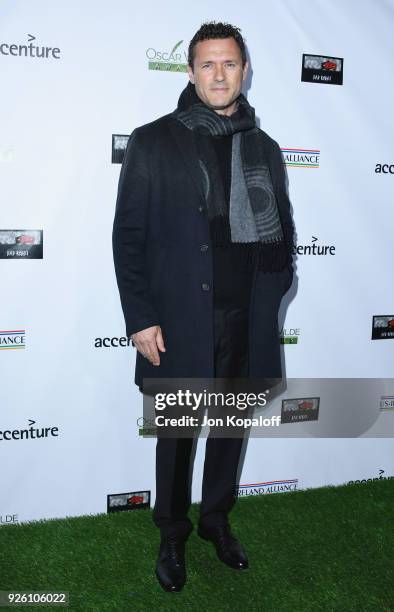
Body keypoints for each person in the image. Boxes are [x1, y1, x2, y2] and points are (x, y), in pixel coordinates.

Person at [112, 21, 295, 592]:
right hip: (179, 320)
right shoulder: (152, 139)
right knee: (178, 432)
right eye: (208, 64)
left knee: (229, 429)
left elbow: (282, 234)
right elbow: (128, 237)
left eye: (230, 64)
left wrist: (270, 301)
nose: (219, 74)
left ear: (244, 71)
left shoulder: (263, 146)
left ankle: (216, 519)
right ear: (191, 71)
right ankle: (172, 530)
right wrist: (140, 317)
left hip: (246, 316)